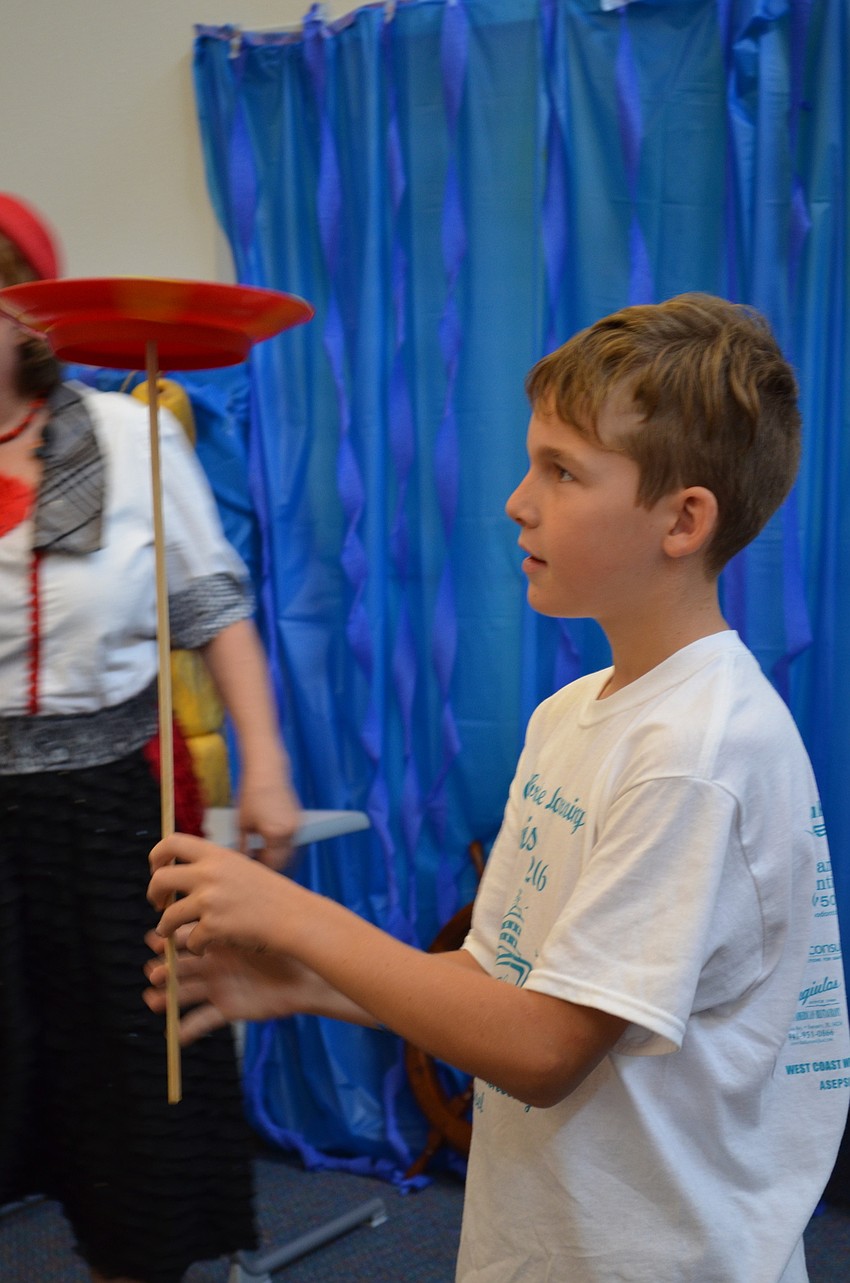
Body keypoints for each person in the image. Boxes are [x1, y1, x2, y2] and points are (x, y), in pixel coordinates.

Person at [146, 293, 850, 1282]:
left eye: (562, 471)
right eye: (531, 463)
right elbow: (499, 981)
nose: (518, 500)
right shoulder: (567, 716)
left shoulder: (700, 749)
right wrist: (303, 981)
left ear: (683, 518)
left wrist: (299, 919)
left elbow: (544, 1048)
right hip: (541, 1243)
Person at [0, 192, 301, 1283]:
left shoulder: (129, 438)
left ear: (27, 316)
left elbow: (214, 606)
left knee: (135, 1095)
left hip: (105, 814)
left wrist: (262, 764)